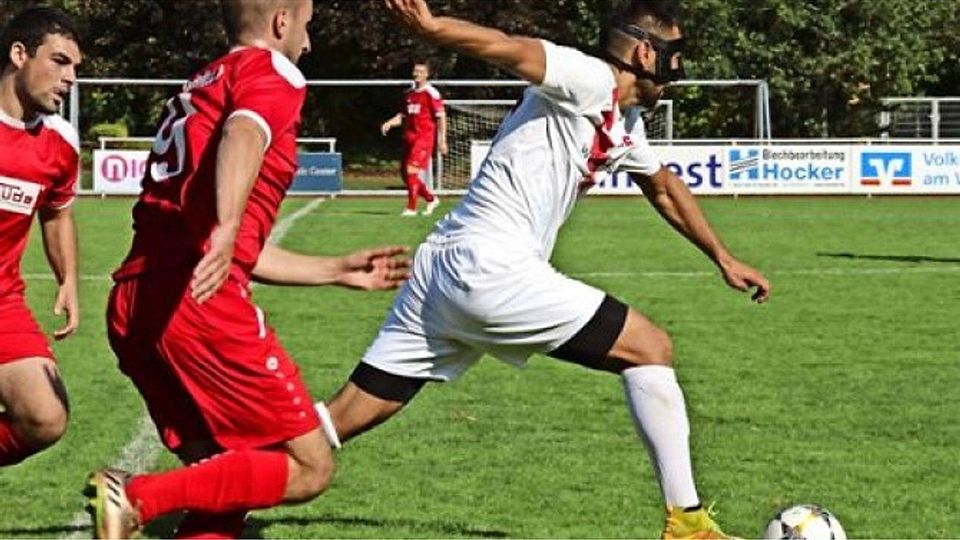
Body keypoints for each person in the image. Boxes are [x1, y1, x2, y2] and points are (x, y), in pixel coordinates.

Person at [316, 1, 771, 538]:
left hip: (440, 270)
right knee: (651, 348)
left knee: (340, 419)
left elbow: (664, 188)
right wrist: (435, 28)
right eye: (675, 57)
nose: (678, 73)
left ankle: (229, 487)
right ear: (647, 52)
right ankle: (688, 526)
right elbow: (512, 48)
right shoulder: (589, 78)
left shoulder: (625, 121)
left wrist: (723, 256)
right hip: (489, 269)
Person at [84, 1, 410, 538]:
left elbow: (226, 245)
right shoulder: (272, 70)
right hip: (197, 306)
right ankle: (136, 496)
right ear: (281, 22)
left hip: (138, 300)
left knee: (230, 474)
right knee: (307, 465)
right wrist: (228, 224)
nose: (310, 39)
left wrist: (333, 269)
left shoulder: (202, 82)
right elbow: (244, 133)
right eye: (307, 23)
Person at [0, 6, 81, 468]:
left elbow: (56, 216)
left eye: (75, 67)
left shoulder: (60, 142)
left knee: (45, 417)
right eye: (59, 61)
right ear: (19, 54)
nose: (69, 77)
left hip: (4, 301)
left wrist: (67, 279)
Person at [380, 60, 445, 216]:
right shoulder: (409, 94)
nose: (417, 74)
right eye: (415, 71)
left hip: (424, 139)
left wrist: (442, 140)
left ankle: (411, 208)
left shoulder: (432, 93)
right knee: (405, 174)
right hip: (409, 137)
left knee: (411, 172)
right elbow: (402, 115)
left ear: (427, 75)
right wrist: (389, 122)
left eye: (421, 72)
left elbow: (441, 117)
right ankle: (430, 199)